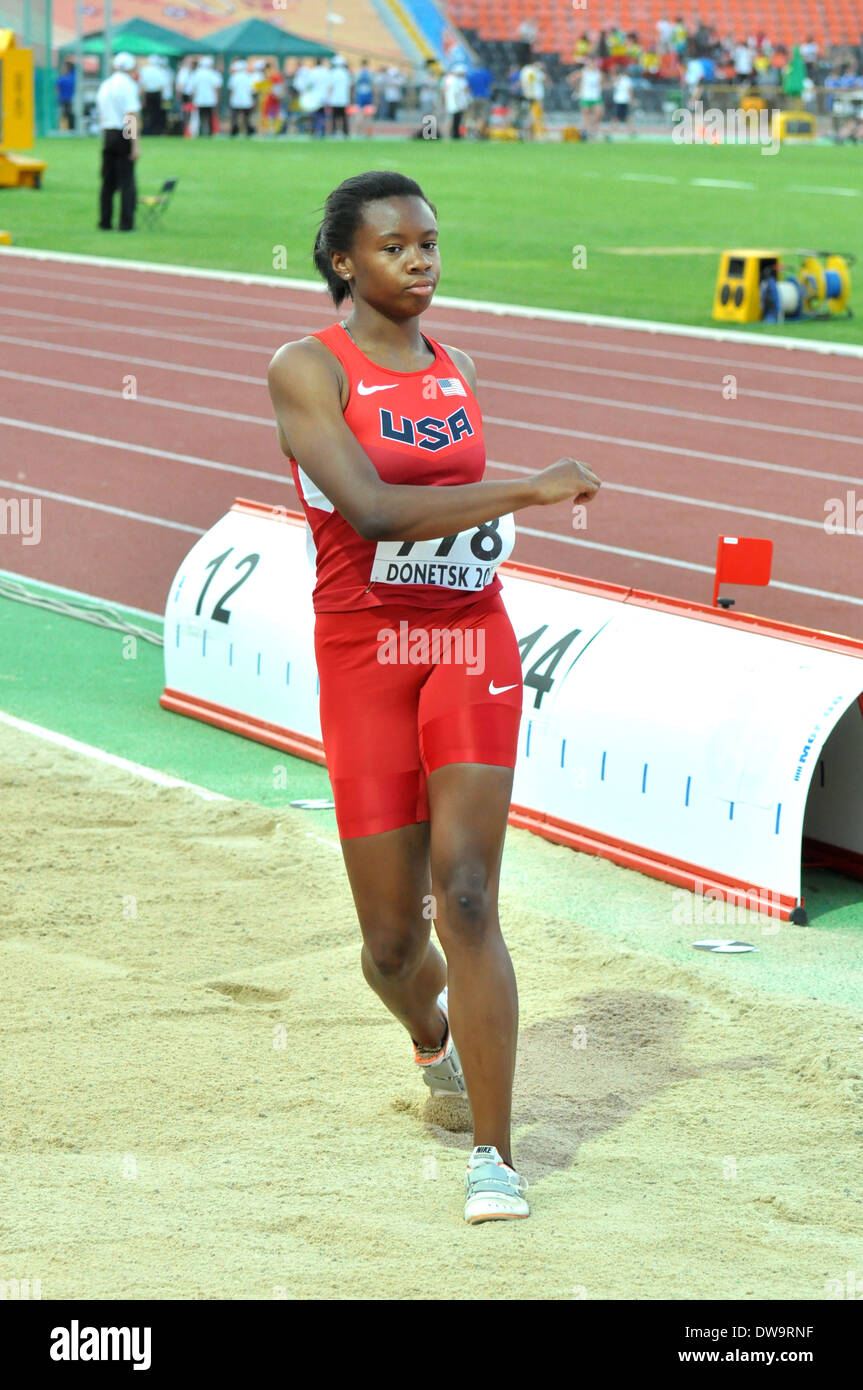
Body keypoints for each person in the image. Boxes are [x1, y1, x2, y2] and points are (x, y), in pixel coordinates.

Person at [266, 170, 601, 1224]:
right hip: (364, 651)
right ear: (341, 262)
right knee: (391, 946)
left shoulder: (454, 367)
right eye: (394, 247)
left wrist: (494, 508)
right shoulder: (306, 370)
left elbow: (446, 511)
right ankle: (431, 1042)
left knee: (463, 893)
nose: (419, 261)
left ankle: (495, 1158)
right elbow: (367, 510)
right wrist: (526, 486)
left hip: (466, 639)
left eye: (429, 244)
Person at [96, 52, 140, 232]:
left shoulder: (105, 85)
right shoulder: (128, 85)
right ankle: (126, 223)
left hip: (108, 133)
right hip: (123, 133)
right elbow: (131, 115)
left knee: (107, 182)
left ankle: (105, 221)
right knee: (127, 182)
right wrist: (135, 143)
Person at [189, 54, 221, 136]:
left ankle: (200, 132)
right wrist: (217, 99)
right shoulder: (213, 74)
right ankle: (210, 132)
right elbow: (216, 88)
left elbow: (193, 88)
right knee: (209, 116)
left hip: (199, 99)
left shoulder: (196, 73)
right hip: (210, 99)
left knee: (200, 116)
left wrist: (193, 98)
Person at [138, 54, 165, 136]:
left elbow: (142, 85)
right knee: (156, 114)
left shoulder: (144, 70)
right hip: (157, 94)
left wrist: (142, 98)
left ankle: (146, 131)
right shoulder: (160, 70)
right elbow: (162, 85)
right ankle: (156, 131)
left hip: (148, 94)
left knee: (147, 114)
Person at [441, 64, 469, 139]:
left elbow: (444, 90)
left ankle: (452, 135)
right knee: (455, 120)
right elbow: (457, 93)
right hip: (456, 104)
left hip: (453, 103)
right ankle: (453, 135)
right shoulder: (455, 80)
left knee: (454, 120)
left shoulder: (450, 79)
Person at [227, 59, 254, 136]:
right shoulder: (248, 77)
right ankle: (247, 131)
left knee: (234, 117)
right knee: (246, 118)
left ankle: (234, 131)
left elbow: (231, 89)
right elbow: (252, 90)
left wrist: (230, 99)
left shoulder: (234, 77)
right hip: (247, 100)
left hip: (236, 100)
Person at [327, 55, 351, 138]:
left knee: (334, 117)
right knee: (344, 116)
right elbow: (349, 86)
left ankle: (334, 131)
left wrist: (328, 97)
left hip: (334, 98)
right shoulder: (346, 73)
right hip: (344, 98)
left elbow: (330, 86)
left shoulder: (332, 73)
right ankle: (345, 132)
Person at [612, 65, 635, 134]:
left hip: (625, 100)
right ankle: (614, 129)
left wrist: (631, 99)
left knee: (627, 116)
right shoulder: (617, 79)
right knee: (616, 116)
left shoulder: (627, 79)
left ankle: (630, 130)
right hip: (618, 100)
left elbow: (629, 90)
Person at [56, 59, 76, 131]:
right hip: (64, 99)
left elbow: (57, 87)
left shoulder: (66, 78)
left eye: (64, 67)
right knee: (65, 114)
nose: (62, 69)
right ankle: (65, 129)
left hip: (69, 100)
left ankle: (68, 129)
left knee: (68, 114)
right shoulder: (68, 77)